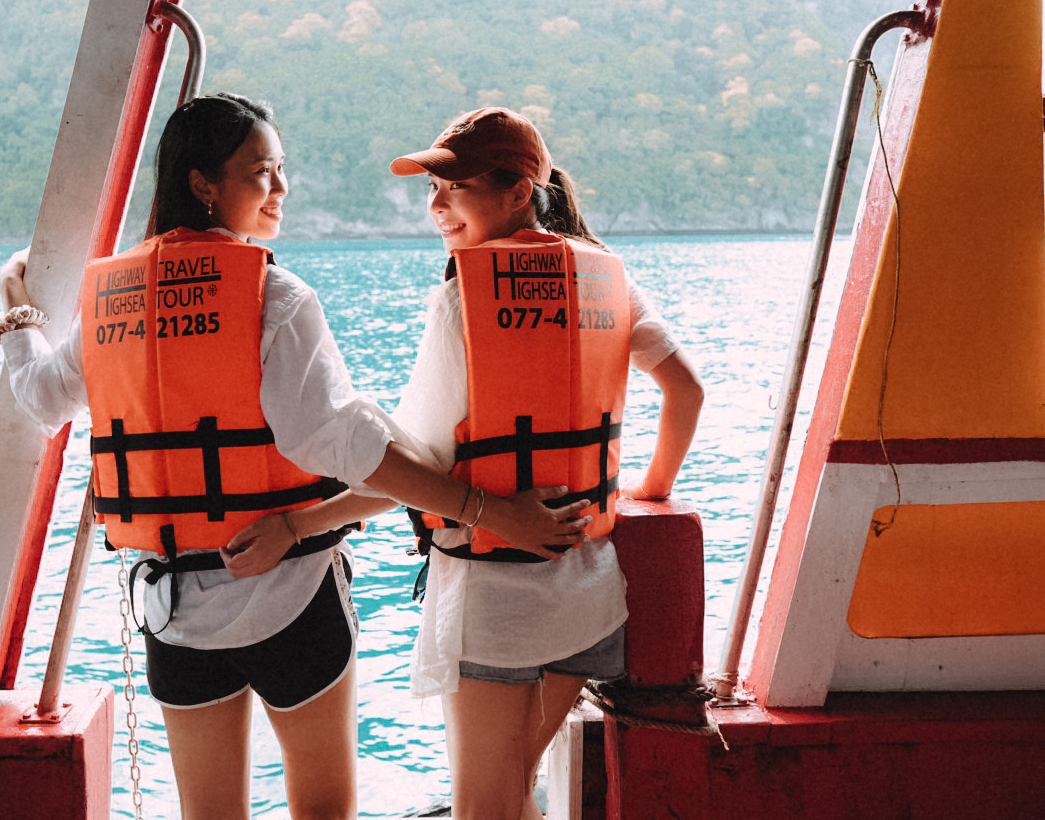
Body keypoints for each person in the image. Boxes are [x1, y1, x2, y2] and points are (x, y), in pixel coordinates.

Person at [0, 93, 586, 820]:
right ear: (205, 183)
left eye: (281, 171)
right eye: (262, 172)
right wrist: (489, 511)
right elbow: (346, 445)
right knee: (325, 810)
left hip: (177, 609)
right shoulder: (277, 297)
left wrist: (17, 312)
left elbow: (41, 397)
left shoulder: (113, 299)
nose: (280, 189)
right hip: (294, 601)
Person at [239, 106, 704, 820]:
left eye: (453, 188)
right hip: (588, 598)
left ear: (518, 190)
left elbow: (409, 469)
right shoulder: (606, 280)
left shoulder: (464, 306)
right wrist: (649, 490)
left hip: (495, 607)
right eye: (432, 190)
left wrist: (301, 524)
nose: (437, 205)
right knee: (515, 792)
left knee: (487, 806)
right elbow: (685, 390)